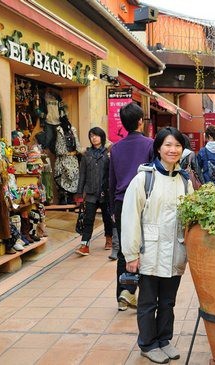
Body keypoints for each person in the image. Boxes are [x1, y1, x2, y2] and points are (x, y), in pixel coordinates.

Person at [122, 127, 193, 364]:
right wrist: (131, 254)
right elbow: (130, 218)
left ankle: (164, 340)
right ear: (158, 148)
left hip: (175, 252)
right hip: (149, 252)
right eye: (168, 145)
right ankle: (148, 344)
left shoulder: (184, 181)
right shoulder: (144, 179)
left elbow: (190, 217)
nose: (173, 150)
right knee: (147, 302)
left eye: (177, 146)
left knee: (168, 302)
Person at [109, 102, 153, 311]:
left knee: (124, 250)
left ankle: (122, 295)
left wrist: (111, 209)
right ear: (139, 122)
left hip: (120, 201)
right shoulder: (150, 145)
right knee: (144, 247)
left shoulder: (115, 148)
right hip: (143, 201)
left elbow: (111, 180)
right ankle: (136, 293)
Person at [75, 127, 114, 256]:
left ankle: (109, 239)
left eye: (96, 135)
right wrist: (79, 193)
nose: (94, 138)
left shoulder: (108, 154)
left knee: (107, 218)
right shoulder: (86, 155)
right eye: (91, 136)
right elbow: (82, 175)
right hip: (91, 193)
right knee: (88, 219)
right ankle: (84, 244)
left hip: (105, 192)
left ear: (102, 137)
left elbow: (112, 173)